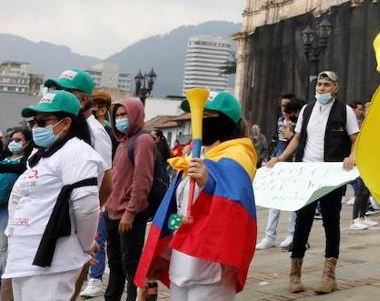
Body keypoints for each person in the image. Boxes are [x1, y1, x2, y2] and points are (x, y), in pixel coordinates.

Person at [139, 91, 259, 300]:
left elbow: (235, 207)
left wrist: (209, 183)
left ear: (225, 121)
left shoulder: (238, 155)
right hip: (182, 262)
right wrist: (161, 256)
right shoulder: (193, 157)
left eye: (206, 116)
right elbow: (177, 210)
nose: (198, 122)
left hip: (211, 264)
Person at [3, 91, 105, 300]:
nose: (36, 127)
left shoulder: (77, 152)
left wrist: (85, 245)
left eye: (43, 121)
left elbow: (86, 207)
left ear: (66, 122)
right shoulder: (42, 155)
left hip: (51, 262)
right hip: (24, 257)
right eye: (34, 122)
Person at [265, 72, 359, 294]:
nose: (322, 88)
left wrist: (352, 155)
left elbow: (356, 138)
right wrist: (280, 158)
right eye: (320, 84)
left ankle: (329, 276)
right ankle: (295, 274)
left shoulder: (344, 111)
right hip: (306, 174)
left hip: (331, 174)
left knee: (331, 222)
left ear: (336, 88)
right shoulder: (307, 110)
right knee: (302, 223)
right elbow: (297, 139)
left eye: (327, 85)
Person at [101, 98, 156, 301]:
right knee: (115, 265)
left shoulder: (143, 140)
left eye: (125, 114)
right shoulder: (123, 141)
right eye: (117, 115)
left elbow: (142, 181)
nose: (120, 119)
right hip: (113, 213)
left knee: (132, 267)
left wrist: (130, 213)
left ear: (136, 115)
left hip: (128, 215)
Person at [255, 96, 301, 251]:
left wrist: (292, 135)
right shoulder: (281, 120)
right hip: (280, 161)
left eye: (287, 107)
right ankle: (269, 235)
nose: (284, 110)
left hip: (294, 163)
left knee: (294, 199)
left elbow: (298, 141)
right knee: (275, 199)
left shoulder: (301, 121)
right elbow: (280, 141)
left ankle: (292, 234)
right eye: (282, 106)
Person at [0, 128, 34, 289]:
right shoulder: (5, 158)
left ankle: (4, 280)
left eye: (18, 140)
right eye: (12, 139)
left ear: (27, 142)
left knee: (4, 245)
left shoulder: (25, 162)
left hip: (10, 208)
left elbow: (17, 169)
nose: (14, 143)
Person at [345, 102, 375, 232]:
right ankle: (355, 219)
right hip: (360, 160)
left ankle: (362, 216)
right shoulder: (360, 125)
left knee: (366, 190)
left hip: (369, 159)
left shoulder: (370, 125)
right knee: (360, 190)